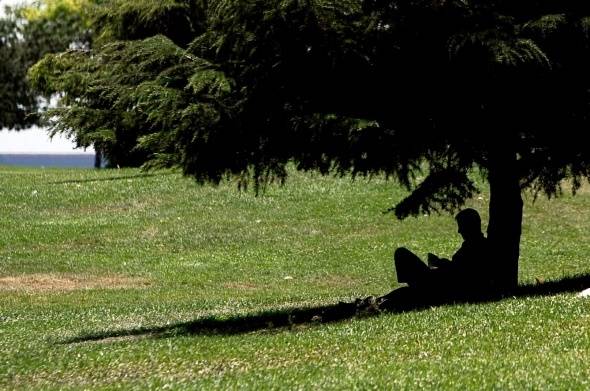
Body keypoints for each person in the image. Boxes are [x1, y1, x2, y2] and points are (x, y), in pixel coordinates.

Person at [378, 208, 492, 308]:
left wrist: (441, 263)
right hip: (441, 283)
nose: (459, 231)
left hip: (442, 288)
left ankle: (384, 300)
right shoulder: (473, 245)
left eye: (461, 226)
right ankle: (380, 300)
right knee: (405, 292)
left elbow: (463, 274)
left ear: (470, 226)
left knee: (402, 254)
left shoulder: (477, 247)